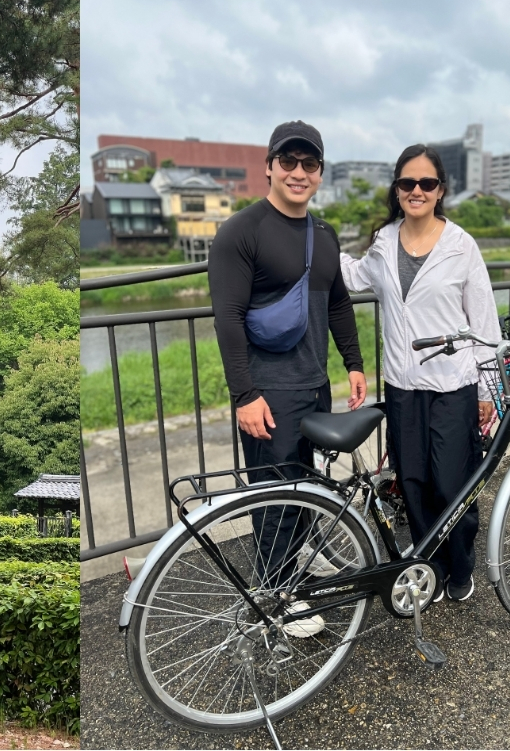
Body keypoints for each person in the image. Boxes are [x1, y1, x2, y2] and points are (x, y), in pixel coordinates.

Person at [208, 120, 367, 637]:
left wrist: (354, 362)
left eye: (310, 164)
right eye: (289, 162)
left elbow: (338, 302)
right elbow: (227, 318)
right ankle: (274, 597)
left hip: (314, 384)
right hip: (268, 391)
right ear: (270, 167)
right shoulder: (241, 231)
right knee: (274, 496)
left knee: (308, 483)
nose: (299, 172)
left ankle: (297, 561)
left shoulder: (323, 234)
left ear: (320, 172)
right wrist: (245, 394)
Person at [338, 144, 501, 602]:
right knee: (412, 480)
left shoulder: (460, 245)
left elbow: (484, 322)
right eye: (407, 183)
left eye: (426, 183)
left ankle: (460, 565)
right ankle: (426, 561)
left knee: (452, 480)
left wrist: (488, 387)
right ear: (397, 189)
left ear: (440, 190)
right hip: (403, 384)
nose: (416, 191)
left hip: (454, 383)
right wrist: (312, 243)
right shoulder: (384, 241)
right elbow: (354, 276)